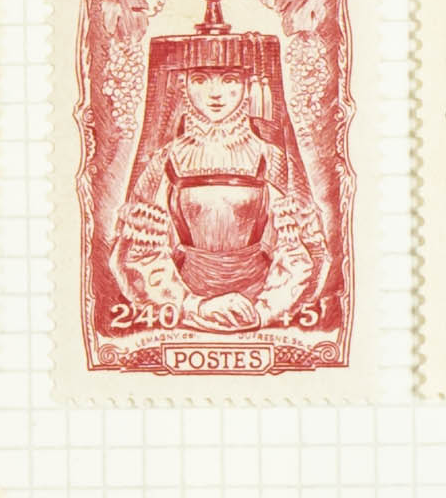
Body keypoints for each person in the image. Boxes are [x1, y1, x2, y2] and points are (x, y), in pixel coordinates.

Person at [111, 39, 323, 330]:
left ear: (248, 87)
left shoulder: (272, 159)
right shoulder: (166, 161)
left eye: (229, 80)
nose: (215, 93)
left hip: (261, 309)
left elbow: (298, 253)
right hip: (184, 310)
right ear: (184, 86)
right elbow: (140, 255)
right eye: (200, 80)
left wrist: (264, 310)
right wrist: (194, 306)